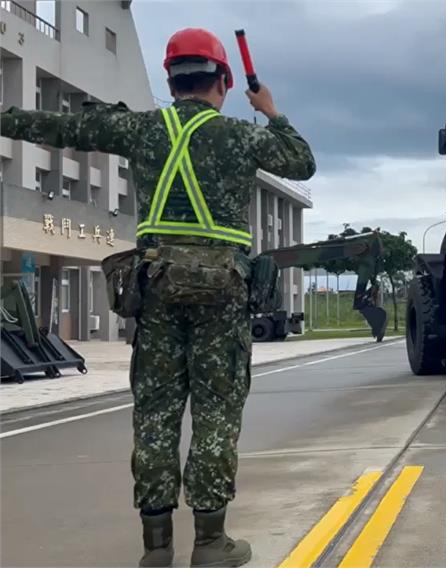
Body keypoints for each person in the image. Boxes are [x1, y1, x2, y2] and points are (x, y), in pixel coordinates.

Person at [1, 28, 315, 567]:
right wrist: (271, 110)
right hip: (222, 292)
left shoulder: (142, 129)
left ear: (170, 81)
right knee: (216, 413)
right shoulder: (240, 135)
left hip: (159, 289)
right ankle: (212, 543)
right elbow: (301, 161)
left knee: (155, 416)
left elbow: (62, 126)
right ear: (223, 81)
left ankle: (157, 548)